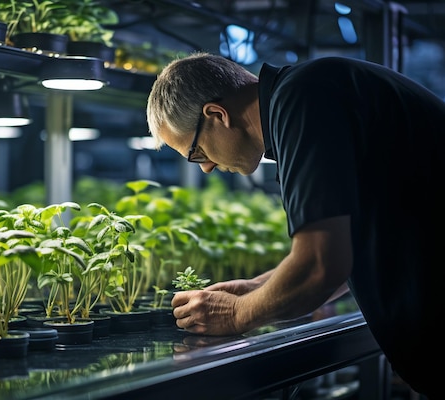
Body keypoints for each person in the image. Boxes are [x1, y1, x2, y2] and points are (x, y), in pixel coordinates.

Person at [146, 52, 444, 399]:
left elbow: (321, 266)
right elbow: (345, 248)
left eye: (196, 152)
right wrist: (255, 287)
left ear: (217, 115)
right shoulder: (306, 95)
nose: (207, 167)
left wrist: (237, 314)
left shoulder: (303, 99)